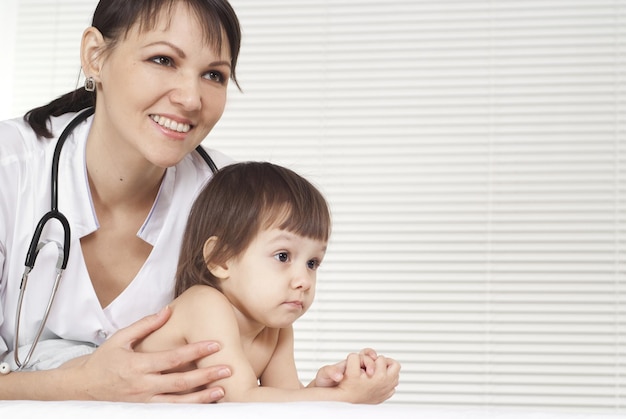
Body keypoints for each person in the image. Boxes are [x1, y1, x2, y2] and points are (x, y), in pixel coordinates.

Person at [0, 0, 352, 402]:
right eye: (163, 59)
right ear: (95, 57)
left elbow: (251, 378)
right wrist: (80, 386)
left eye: (213, 75)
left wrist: (319, 394)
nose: (190, 98)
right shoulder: (9, 168)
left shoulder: (237, 203)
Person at [133, 161, 401, 403]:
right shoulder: (205, 305)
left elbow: (282, 402)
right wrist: (344, 398)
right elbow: (239, 399)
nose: (304, 280)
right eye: (283, 256)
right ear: (221, 259)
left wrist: (329, 387)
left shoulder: (276, 328)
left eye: (312, 263)